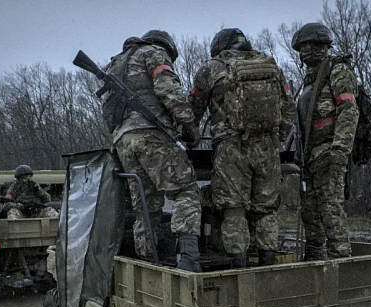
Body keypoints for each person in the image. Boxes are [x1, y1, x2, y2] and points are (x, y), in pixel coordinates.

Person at [188, 28, 295, 267]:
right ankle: (267, 265)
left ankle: (239, 270)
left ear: (218, 47)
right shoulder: (271, 67)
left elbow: (192, 111)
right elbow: (288, 108)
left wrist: (190, 140)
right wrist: (277, 138)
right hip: (267, 147)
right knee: (266, 209)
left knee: (233, 210)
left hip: (230, 148)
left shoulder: (211, 69)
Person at [108, 30, 203, 272]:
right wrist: (191, 130)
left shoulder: (117, 63)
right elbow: (170, 93)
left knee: (145, 206)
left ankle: (149, 263)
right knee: (186, 190)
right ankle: (189, 259)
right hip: (151, 134)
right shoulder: (153, 53)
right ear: (167, 47)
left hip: (123, 141)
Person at [291, 23, 359, 260]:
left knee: (331, 210)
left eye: (312, 45)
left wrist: (339, 149)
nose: (306, 51)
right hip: (310, 158)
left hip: (329, 153)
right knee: (311, 213)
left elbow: (349, 111)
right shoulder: (309, 80)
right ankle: (315, 265)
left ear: (324, 47)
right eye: (302, 47)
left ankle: (341, 264)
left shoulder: (337, 71)